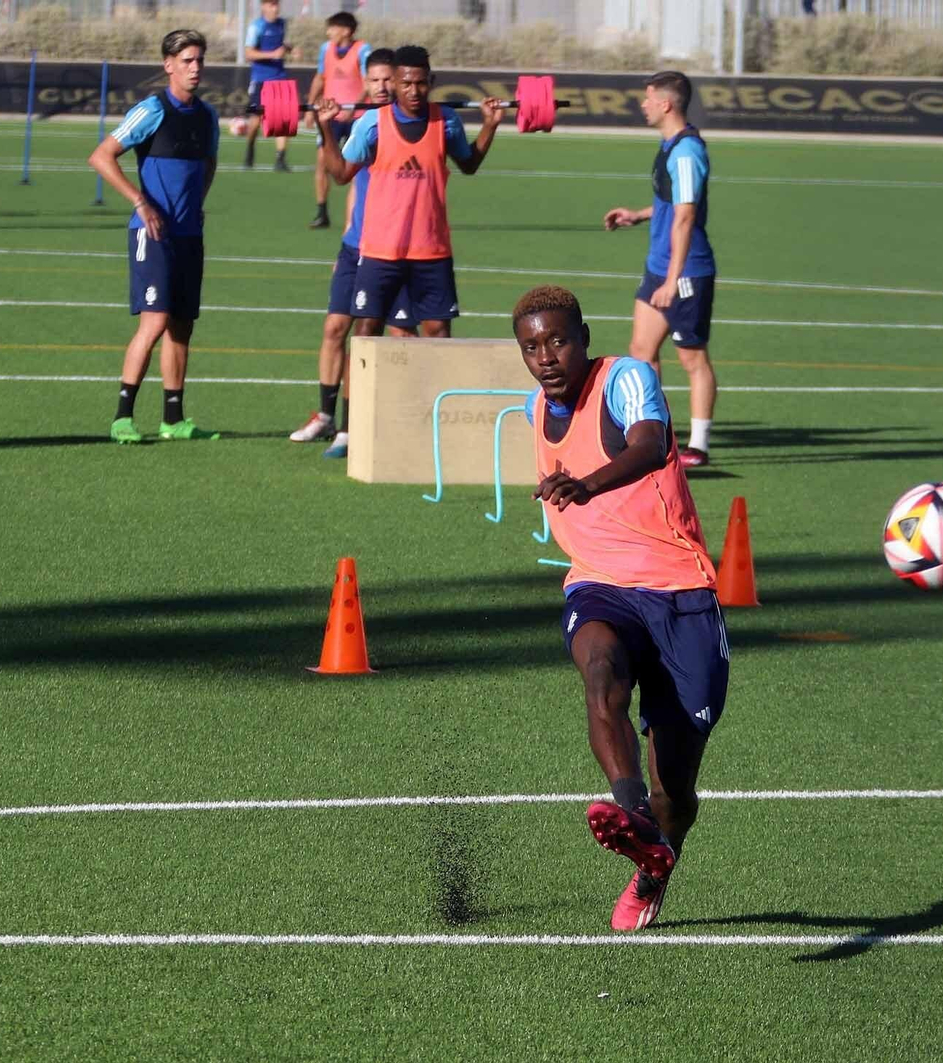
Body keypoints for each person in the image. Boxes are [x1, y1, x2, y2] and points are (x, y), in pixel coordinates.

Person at [514, 284, 728, 932]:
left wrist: (588, 481)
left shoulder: (625, 378)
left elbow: (652, 443)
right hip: (599, 584)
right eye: (531, 345)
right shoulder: (535, 408)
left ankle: (654, 858)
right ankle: (629, 810)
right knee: (599, 668)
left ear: (583, 335)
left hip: (680, 591)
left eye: (557, 339)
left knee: (678, 791)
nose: (546, 355)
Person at [317, 45, 503, 346]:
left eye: (420, 83)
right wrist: (325, 127)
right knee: (367, 333)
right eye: (405, 83)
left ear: (431, 81)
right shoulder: (372, 123)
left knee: (438, 334)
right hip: (380, 251)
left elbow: (469, 164)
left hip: (431, 250)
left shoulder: (446, 121)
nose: (413, 90)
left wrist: (489, 126)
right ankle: (360, 396)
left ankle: (433, 394)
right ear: (395, 81)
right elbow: (340, 174)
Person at [88, 29, 220, 444]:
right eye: (186, 61)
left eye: (199, 59)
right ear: (168, 65)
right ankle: (122, 416)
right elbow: (101, 156)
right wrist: (140, 203)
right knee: (156, 321)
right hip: (152, 234)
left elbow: (209, 163)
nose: (194, 67)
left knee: (182, 326)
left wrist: (197, 201)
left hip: (188, 234)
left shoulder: (208, 115)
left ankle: (173, 420)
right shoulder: (152, 110)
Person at [290, 48, 417, 457]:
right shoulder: (363, 122)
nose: (381, 87)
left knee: (399, 336)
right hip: (356, 246)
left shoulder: (403, 126)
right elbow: (352, 184)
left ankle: (377, 421)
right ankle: (327, 417)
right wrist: (347, 238)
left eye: (387, 80)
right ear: (365, 82)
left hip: (393, 250)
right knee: (335, 329)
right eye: (375, 80)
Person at [602, 70, 719, 469]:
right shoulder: (669, 146)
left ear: (666, 104)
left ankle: (698, 447)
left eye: (648, 98)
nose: (643, 105)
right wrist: (639, 215)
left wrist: (673, 280)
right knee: (641, 352)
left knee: (692, 359)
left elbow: (686, 217)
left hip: (685, 272)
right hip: (659, 267)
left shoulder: (687, 153)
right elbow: (672, 206)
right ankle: (654, 434)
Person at [307, 11, 371, 229]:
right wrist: (310, 106)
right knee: (322, 162)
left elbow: (367, 83)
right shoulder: (326, 49)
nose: (329, 32)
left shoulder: (363, 50)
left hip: (357, 116)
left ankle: (355, 217)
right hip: (330, 115)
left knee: (356, 169)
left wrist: (353, 109)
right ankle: (322, 212)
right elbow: (320, 77)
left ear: (346, 30)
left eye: (333, 28)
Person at [244, 0, 294, 171]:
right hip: (260, 79)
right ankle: (250, 148)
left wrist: (289, 49)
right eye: (271, 4)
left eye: (277, 4)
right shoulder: (256, 26)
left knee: (283, 120)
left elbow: (282, 45)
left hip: (280, 77)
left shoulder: (282, 24)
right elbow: (248, 53)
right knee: (256, 120)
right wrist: (273, 54)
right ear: (263, 6)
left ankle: (280, 159)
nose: (275, 8)